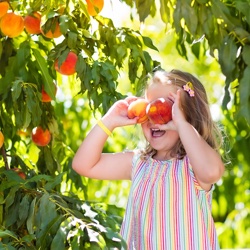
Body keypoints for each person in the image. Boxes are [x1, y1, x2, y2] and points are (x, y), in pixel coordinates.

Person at [72, 69, 225, 250]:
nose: (154, 116)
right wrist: (109, 121)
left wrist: (181, 124)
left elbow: (212, 171)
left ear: (187, 116)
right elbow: (83, 165)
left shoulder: (193, 165)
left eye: (166, 108)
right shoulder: (138, 163)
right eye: (148, 108)